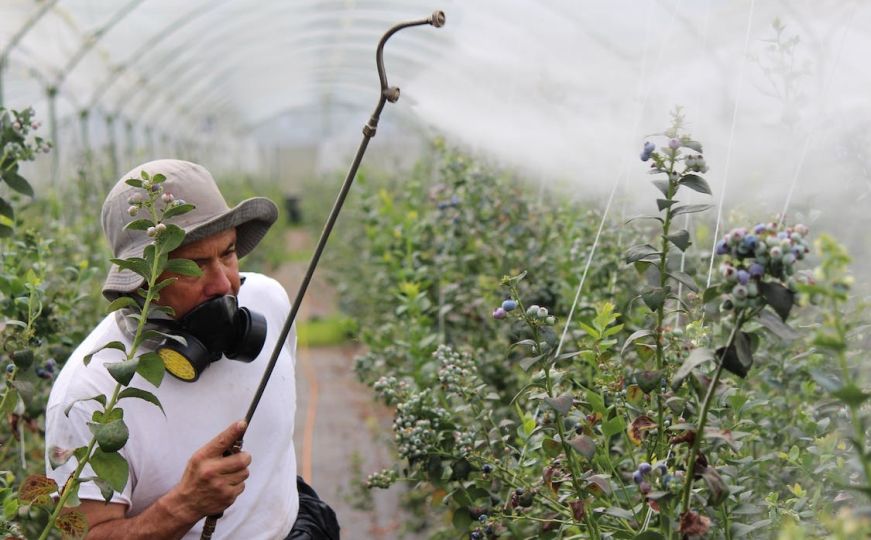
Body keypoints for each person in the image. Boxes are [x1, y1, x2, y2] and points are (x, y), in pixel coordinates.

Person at [44, 159, 339, 539]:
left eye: (228, 253)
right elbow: (89, 535)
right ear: (141, 280)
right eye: (196, 265)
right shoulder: (88, 397)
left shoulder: (269, 302)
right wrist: (183, 505)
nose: (225, 284)